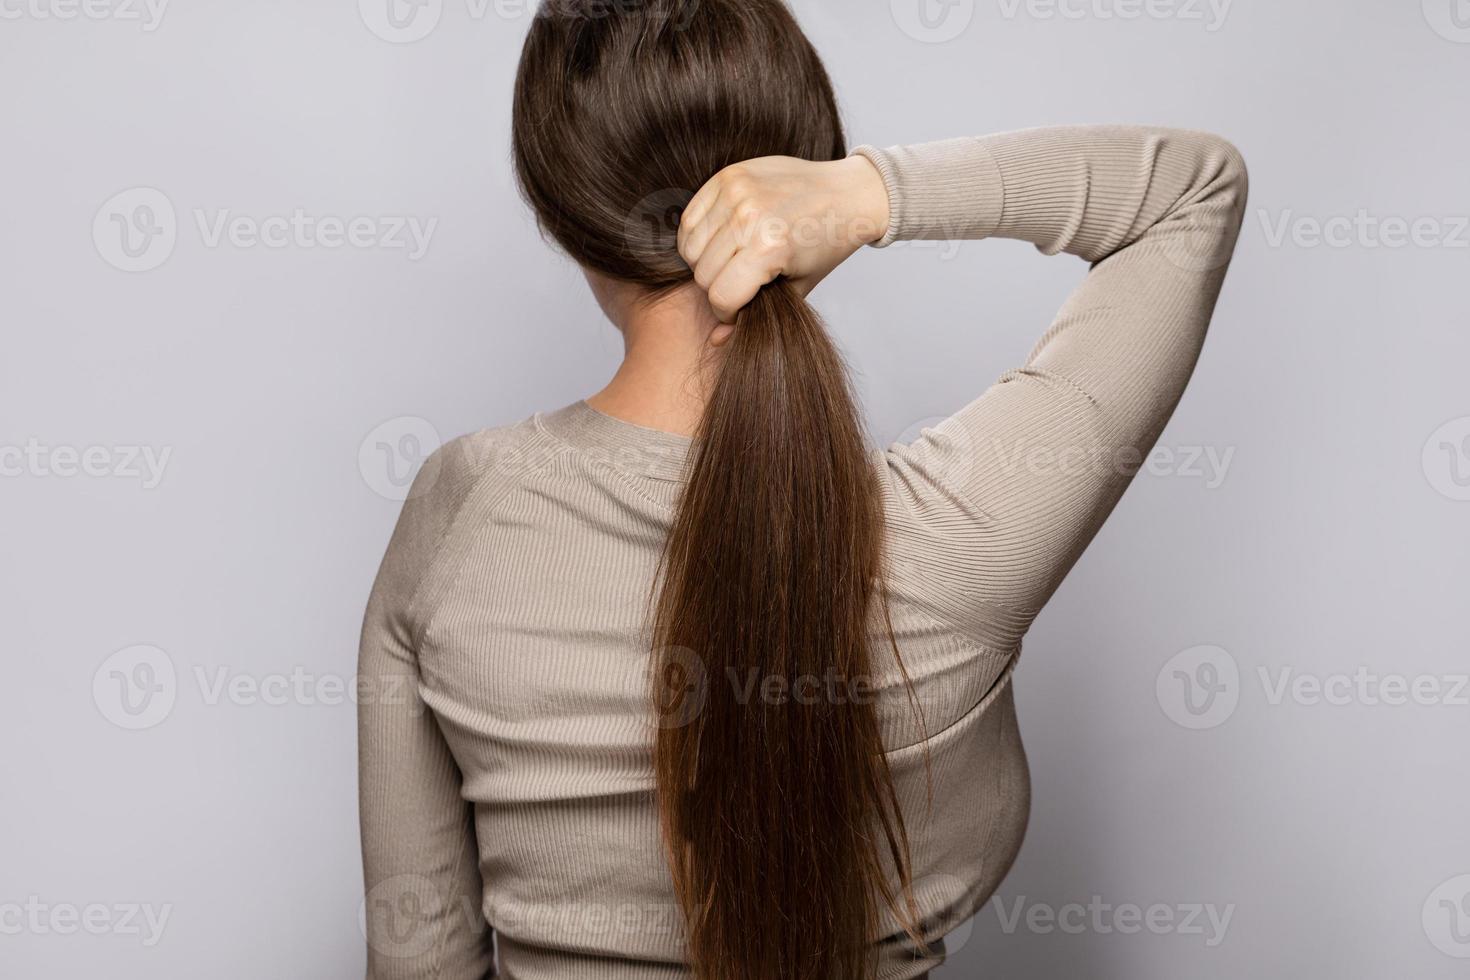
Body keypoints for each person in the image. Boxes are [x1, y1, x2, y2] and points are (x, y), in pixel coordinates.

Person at [357, 1, 1248, 978]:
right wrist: (872, 195)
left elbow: (419, 956)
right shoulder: (956, 532)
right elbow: (1190, 191)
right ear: (801, 178)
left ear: (558, 209)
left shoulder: (461, 513)